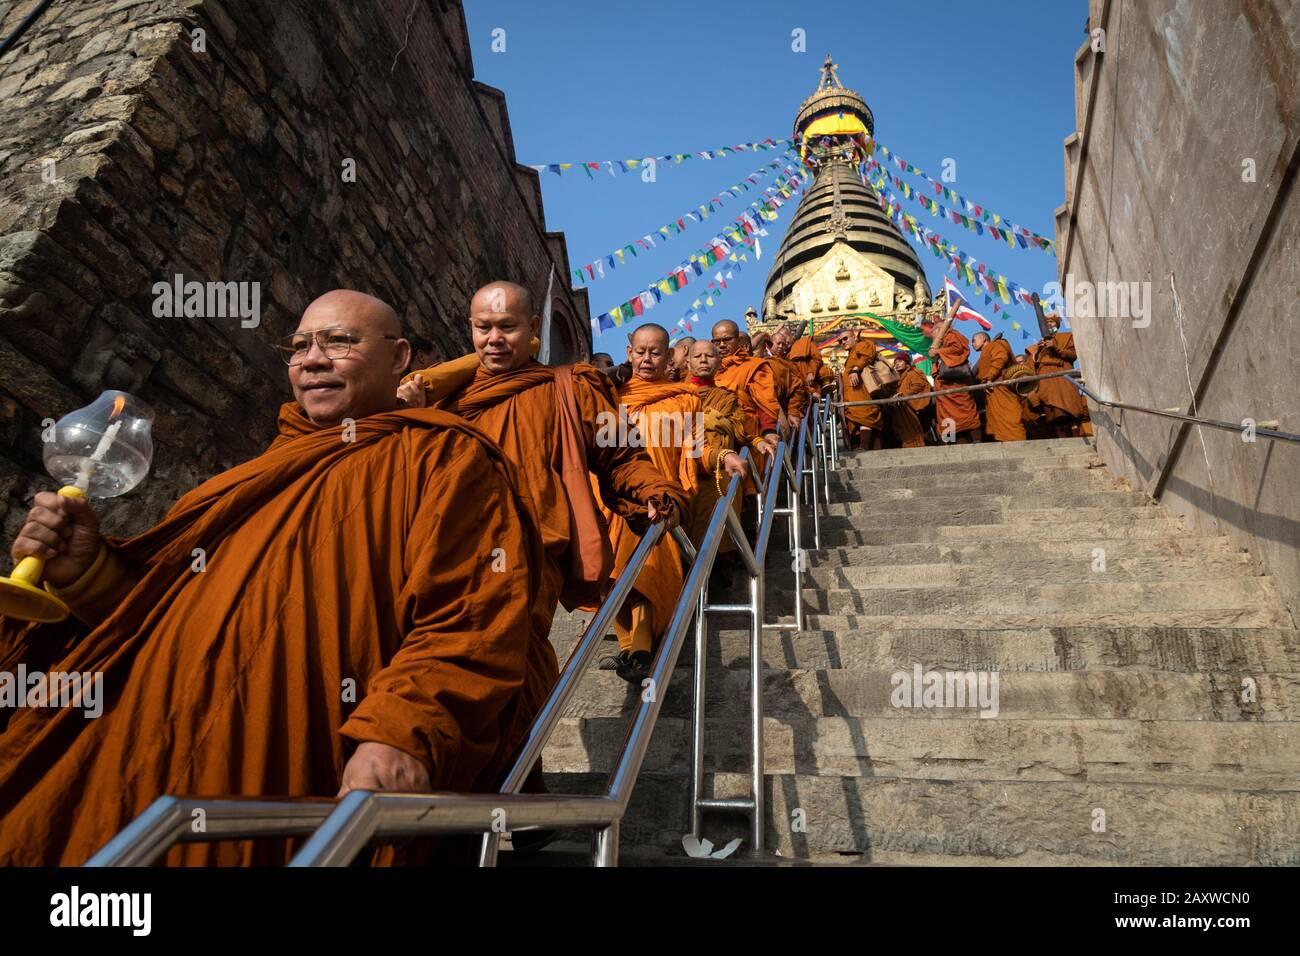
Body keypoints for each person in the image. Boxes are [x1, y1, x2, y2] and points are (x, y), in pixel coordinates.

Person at [0, 290, 552, 866]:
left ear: (400, 357)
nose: (313, 359)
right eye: (299, 347)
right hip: (139, 747)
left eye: (339, 342)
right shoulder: (247, 477)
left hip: (295, 757)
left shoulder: (445, 460)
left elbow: (471, 616)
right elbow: (154, 619)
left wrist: (402, 731)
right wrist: (86, 574)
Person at [395, 282, 686, 678]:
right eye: (484, 328)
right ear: (470, 330)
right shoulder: (447, 399)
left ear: (532, 327)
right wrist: (411, 418)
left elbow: (621, 455)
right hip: (438, 555)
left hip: (525, 558)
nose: (494, 339)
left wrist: (654, 490)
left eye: (507, 327)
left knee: (497, 667)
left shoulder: (569, 389)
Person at [681, 339, 750, 586]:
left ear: (719, 362)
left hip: (720, 477)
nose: (703, 360)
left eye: (709, 356)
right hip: (686, 474)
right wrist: (714, 420)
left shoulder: (728, 398)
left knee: (718, 535)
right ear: (687, 361)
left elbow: (741, 431)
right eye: (697, 356)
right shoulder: (675, 395)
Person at [1025, 315, 1086, 438]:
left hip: (1063, 378)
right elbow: (1030, 366)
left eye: (1051, 322)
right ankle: (1062, 439)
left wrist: (1055, 347)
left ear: (1057, 324)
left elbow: (1072, 356)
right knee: (1054, 415)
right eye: (1046, 322)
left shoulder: (1066, 337)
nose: (1049, 324)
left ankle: (1076, 438)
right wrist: (1037, 352)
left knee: (1070, 411)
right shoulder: (1038, 346)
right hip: (1046, 382)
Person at [928, 318, 983, 444]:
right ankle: (953, 444)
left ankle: (977, 441)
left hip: (956, 385)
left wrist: (938, 351)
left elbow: (958, 349)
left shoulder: (952, 335)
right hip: (943, 389)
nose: (932, 336)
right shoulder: (941, 342)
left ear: (939, 330)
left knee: (966, 414)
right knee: (947, 418)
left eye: (933, 332)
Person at [972, 331, 1026, 443]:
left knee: (1010, 418)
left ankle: (1019, 446)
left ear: (983, 338)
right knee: (997, 423)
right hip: (991, 392)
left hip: (1001, 387)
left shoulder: (997, 344)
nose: (972, 344)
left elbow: (1001, 358)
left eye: (974, 340)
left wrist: (989, 377)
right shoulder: (983, 354)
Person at [841, 332, 885, 450]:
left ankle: (864, 446)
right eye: (840, 341)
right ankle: (866, 448)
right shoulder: (851, 353)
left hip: (860, 391)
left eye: (845, 338)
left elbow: (867, 356)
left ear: (855, 337)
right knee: (856, 419)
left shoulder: (861, 345)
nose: (843, 342)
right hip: (852, 394)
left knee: (865, 416)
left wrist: (855, 369)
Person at [893, 354, 935, 444]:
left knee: (923, 433)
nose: (897, 364)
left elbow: (919, 385)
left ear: (907, 364)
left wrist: (903, 395)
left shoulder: (913, 372)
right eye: (895, 363)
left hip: (917, 408)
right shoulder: (898, 378)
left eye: (900, 361)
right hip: (905, 411)